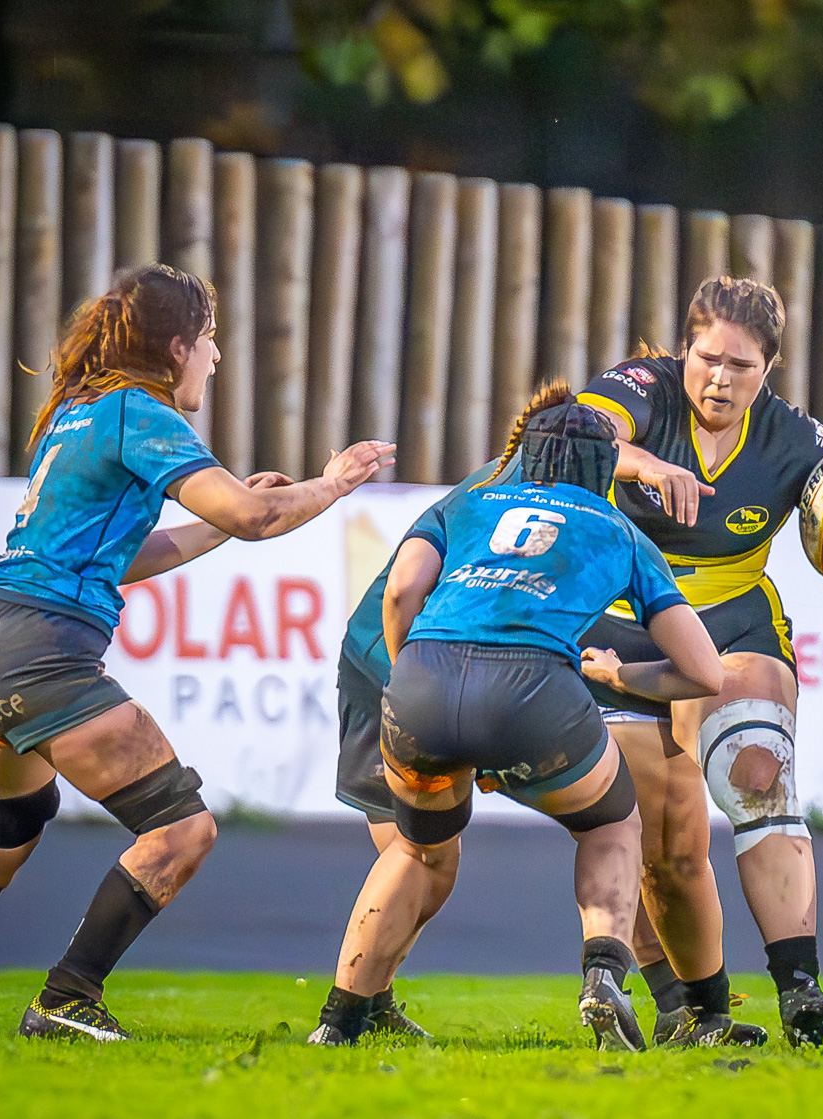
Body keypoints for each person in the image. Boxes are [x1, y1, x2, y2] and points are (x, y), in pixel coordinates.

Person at [0, 264, 392, 1039]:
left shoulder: (80, 409)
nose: (215, 358)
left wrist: (217, 522)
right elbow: (252, 515)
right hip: (42, 648)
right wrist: (334, 482)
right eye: (210, 342)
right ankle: (66, 997)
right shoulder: (141, 412)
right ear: (177, 346)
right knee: (183, 829)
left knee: (6, 831)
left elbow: (124, 551)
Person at [308, 388, 726, 1051]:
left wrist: (409, 675)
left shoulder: (469, 499)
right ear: (604, 465)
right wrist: (623, 677)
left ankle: (338, 1021)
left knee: (418, 851)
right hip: (535, 692)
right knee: (612, 823)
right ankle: (602, 973)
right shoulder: (618, 529)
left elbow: (401, 588)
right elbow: (706, 671)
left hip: (418, 680)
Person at [575, 277, 823, 1048]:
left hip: (733, 623)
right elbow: (572, 433)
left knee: (756, 769)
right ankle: (689, 1009)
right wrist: (639, 464)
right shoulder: (641, 390)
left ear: (772, 369)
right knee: (661, 843)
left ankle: (802, 989)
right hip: (622, 627)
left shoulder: (796, 438)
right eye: (707, 358)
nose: (720, 379)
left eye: (743, 366)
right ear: (681, 349)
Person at [324, 460, 516, 1042]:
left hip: (391, 666)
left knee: (429, 857)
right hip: (405, 672)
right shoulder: (540, 495)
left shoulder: (504, 477)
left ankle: (371, 1004)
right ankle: (346, 1015)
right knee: (420, 854)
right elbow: (408, 589)